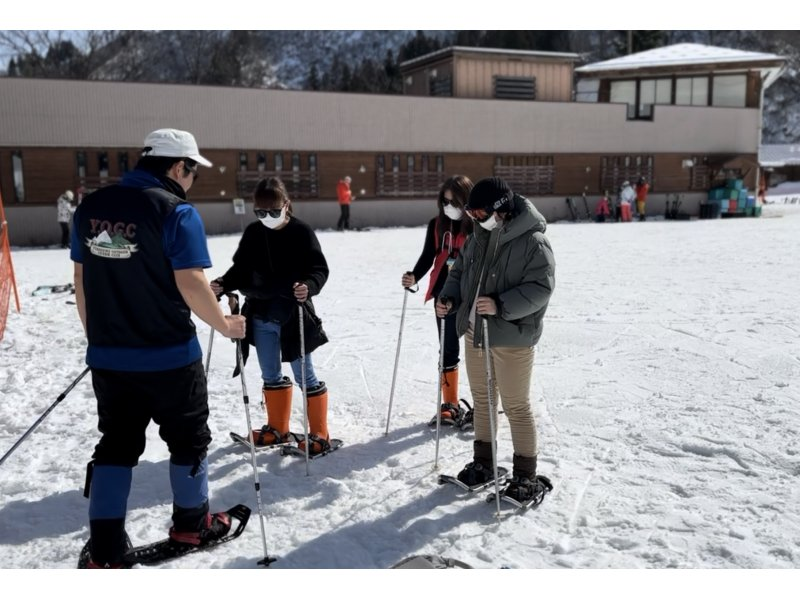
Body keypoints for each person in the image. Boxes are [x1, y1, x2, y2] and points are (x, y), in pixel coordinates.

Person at [70, 128, 247, 568]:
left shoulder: (90, 207)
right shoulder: (176, 212)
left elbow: (81, 280)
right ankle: (192, 524)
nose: (191, 181)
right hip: (171, 357)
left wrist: (102, 337)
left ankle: (106, 548)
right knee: (188, 442)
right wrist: (226, 325)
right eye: (192, 172)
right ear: (176, 167)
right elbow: (191, 283)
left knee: (115, 445)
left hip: (110, 358)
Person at [435, 177, 555, 502]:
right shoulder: (478, 235)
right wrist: (448, 297)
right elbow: (459, 273)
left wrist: (502, 305)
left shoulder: (533, 241)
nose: (474, 219)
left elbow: (541, 288)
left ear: (500, 209)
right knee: (483, 400)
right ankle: (484, 463)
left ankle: (525, 476)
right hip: (476, 331)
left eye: (480, 213)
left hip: (512, 336)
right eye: (471, 213)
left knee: (516, 406)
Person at [211, 177, 333, 455]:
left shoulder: (301, 232)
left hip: (292, 315)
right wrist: (223, 283)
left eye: (273, 211)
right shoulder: (254, 233)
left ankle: (320, 433)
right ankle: (278, 428)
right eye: (261, 212)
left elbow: (319, 269)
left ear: (286, 205)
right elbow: (240, 270)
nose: (267, 217)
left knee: (305, 374)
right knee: (270, 372)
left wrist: (308, 287)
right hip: (260, 314)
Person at [401, 175, 474, 428]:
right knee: (448, 347)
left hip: (472, 292)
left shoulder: (477, 226)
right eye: (445, 201)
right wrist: (414, 276)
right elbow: (428, 256)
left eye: (454, 202)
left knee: (480, 349)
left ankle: (484, 405)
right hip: (444, 293)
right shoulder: (437, 224)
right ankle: (450, 404)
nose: (448, 206)